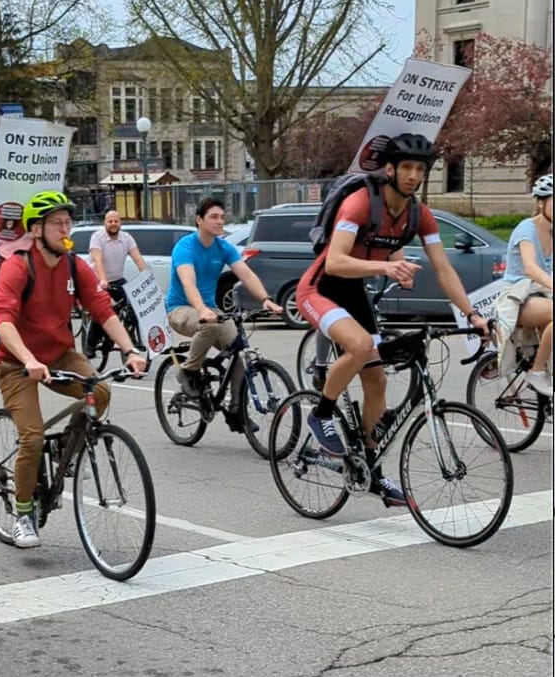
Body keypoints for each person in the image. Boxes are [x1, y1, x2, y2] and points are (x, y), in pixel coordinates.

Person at [295, 133, 490, 506]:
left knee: (377, 379)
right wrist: (386, 266)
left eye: (420, 169)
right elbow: (335, 261)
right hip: (319, 289)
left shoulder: (419, 214)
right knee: (360, 345)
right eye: (407, 168)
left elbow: (444, 269)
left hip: (354, 294)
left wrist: (473, 314)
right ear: (389, 169)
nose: (414, 175)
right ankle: (321, 414)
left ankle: (372, 471)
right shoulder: (359, 204)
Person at [0, 190, 147, 549]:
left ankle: (66, 450)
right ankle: (23, 513)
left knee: (100, 391)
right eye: (58, 223)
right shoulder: (18, 266)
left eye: (68, 221)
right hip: (17, 363)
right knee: (31, 437)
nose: (66, 229)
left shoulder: (74, 265)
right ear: (36, 230)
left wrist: (130, 349)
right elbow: (4, 322)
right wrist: (28, 359)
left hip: (60, 354)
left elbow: (103, 310)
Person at [164, 197, 283, 426]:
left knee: (238, 350)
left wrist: (265, 299)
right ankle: (188, 372)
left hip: (211, 309)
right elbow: (188, 283)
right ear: (199, 220)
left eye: (222, 217)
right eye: (214, 217)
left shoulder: (224, 247)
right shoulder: (185, 247)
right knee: (209, 325)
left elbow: (246, 275)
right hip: (181, 308)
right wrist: (200, 309)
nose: (220, 222)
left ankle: (237, 410)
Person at [491, 173, 553, 396]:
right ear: (540, 202)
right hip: (517, 297)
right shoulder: (526, 228)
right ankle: (537, 372)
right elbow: (530, 267)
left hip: (540, 295)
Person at [84, 210, 148, 358]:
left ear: (120, 223)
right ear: (105, 223)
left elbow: (138, 259)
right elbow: (97, 260)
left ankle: (132, 338)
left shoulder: (126, 238)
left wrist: (147, 277)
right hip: (98, 279)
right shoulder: (97, 237)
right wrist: (102, 280)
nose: (113, 224)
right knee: (101, 309)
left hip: (118, 279)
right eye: (110, 221)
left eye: (116, 221)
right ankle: (91, 344)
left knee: (132, 305)